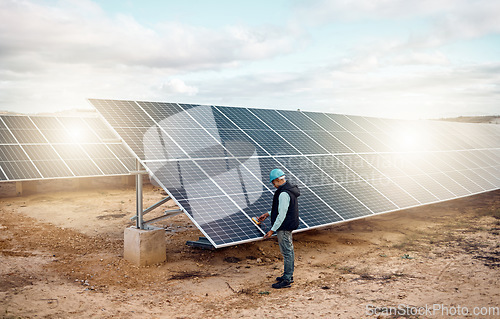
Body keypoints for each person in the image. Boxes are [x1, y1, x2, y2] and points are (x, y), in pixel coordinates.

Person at [258, 168, 300, 289]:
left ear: (277, 180)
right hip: (288, 224)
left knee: (287, 252)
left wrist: (272, 230)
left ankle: (287, 279)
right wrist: (268, 214)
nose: (273, 185)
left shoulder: (283, 193)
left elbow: (282, 214)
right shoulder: (288, 189)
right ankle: (288, 275)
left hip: (284, 226)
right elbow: (281, 208)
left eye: (273, 183)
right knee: (289, 251)